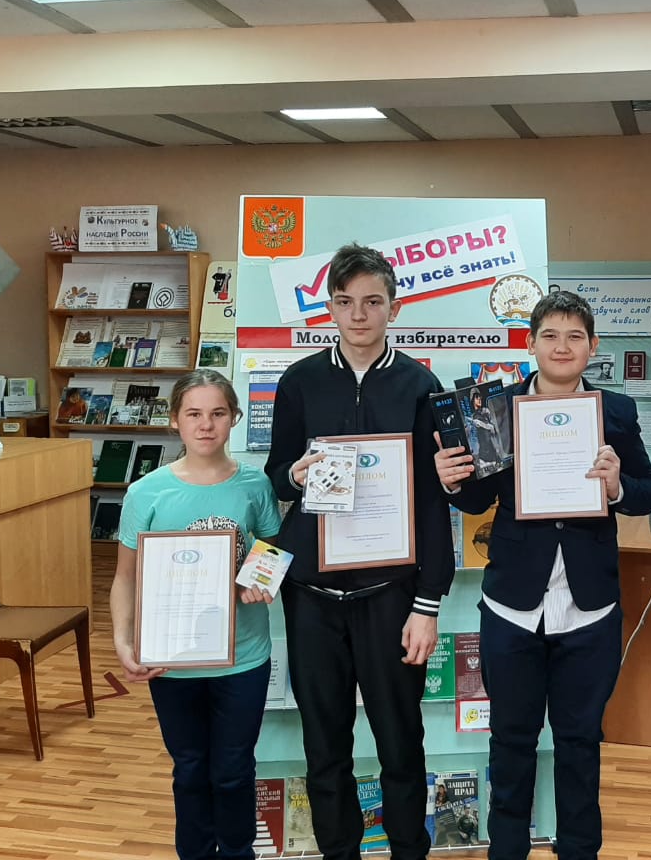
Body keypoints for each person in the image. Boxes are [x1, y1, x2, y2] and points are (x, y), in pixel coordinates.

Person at [434, 290, 651, 860]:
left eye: (574, 336)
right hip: (513, 606)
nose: (562, 347)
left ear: (593, 346)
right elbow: (477, 498)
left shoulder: (615, 411)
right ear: (530, 343)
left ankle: (579, 850)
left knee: (580, 742)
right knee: (511, 742)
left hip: (590, 608)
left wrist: (617, 486)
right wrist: (451, 478)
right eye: (551, 336)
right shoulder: (497, 408)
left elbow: (646, 494)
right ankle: (507, 851)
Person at [264, 243, 454, 860]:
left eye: (372, 302)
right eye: (345, 303)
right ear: (330, 308)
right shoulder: (299, 381)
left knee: (401, 745)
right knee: (324, 748)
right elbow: (276, 476)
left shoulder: (420, 386)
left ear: (394, 308)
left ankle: (408, 852)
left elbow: (434, 501)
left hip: (390, 596)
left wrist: (427, 603)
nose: (358, 315)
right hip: (312, 595)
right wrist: (295, 474)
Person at [109, 369, 283, 860]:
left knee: (233, 770)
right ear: (175, 421)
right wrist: (123, 640)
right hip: (172, 658)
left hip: (242, 657)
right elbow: (125, 577)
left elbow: (272, 549)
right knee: (189, 768)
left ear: (234, 418)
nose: (205, 425)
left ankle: (239, 853)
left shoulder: (255, 485)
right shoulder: (146, 492)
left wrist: (259, 581)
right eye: (194, 414)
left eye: (217, 413)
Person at [466, 388, 502, 476]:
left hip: (493, 454)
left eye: (480, 397)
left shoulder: (486, 411)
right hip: (481, 456)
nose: (479, 399)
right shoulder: (472, 416)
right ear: (472, 400)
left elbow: (493, 428)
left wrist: (481, 424)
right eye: (476, 397)